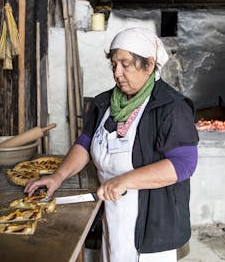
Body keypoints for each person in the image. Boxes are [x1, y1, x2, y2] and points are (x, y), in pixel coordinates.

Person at [25, 27, 199, 262]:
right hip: (112, 212)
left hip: (152, 223)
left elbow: (184, 164)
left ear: (149, 64)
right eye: (114, 65)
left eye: (125, 64)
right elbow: (85, 144)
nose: (117, 73)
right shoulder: (105, 102)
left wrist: (124, 180)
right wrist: (57, 177)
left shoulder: (171, 107)